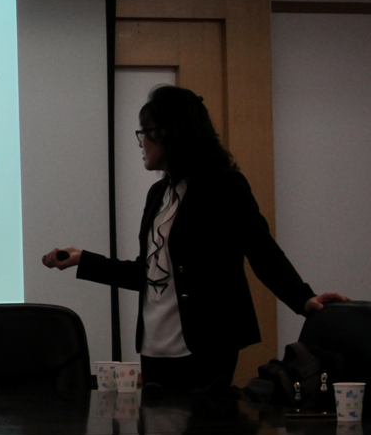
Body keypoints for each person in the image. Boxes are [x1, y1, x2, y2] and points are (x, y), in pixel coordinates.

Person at [41, 86, 348, 392]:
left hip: (206, 344)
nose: (141, 143)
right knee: (157, 423)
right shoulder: (158, 195)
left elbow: (261, 249)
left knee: (204, 423)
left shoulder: (223, 186)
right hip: (154, 344)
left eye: (145, 133)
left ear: (170, 133)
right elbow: (149, 273)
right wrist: (84, 260)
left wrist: (302, 298)